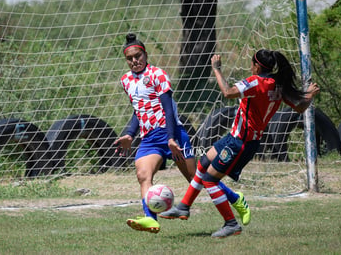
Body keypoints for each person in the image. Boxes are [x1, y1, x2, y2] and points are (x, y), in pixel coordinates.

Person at [159, 50, 320, 238]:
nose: (250, 66)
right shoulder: (278, 85)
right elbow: (300, 106)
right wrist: (309, 94)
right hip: (236, 137)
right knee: (203, 163)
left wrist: (217, 70)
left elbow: (228, 92)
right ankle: (184, 207)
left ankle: (231, 223)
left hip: (240, 143)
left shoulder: (255, 82)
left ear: (257, 66)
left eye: (251, 63)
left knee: (210, 180)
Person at [114, 33, 251, 234]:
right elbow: (139, 110)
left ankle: (235, 199)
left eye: (138, 56)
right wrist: (129, 134)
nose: (134, 61)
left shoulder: (158, 75)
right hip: (149, 139)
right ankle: (150, 219)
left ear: (145, 54)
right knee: (143, 176)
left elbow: (168, 109)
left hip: (173, 135)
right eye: (130, 58)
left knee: (199, 180)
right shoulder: (126, 80)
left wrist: (171, 138)